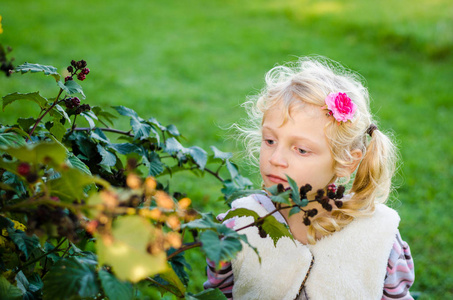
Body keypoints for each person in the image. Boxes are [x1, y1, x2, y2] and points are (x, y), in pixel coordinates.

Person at [203, 57, 415, 299]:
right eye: (270, 141)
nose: (276, 158)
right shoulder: (236, 226)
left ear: (347, 162)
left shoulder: (381, 238)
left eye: (301, 150)